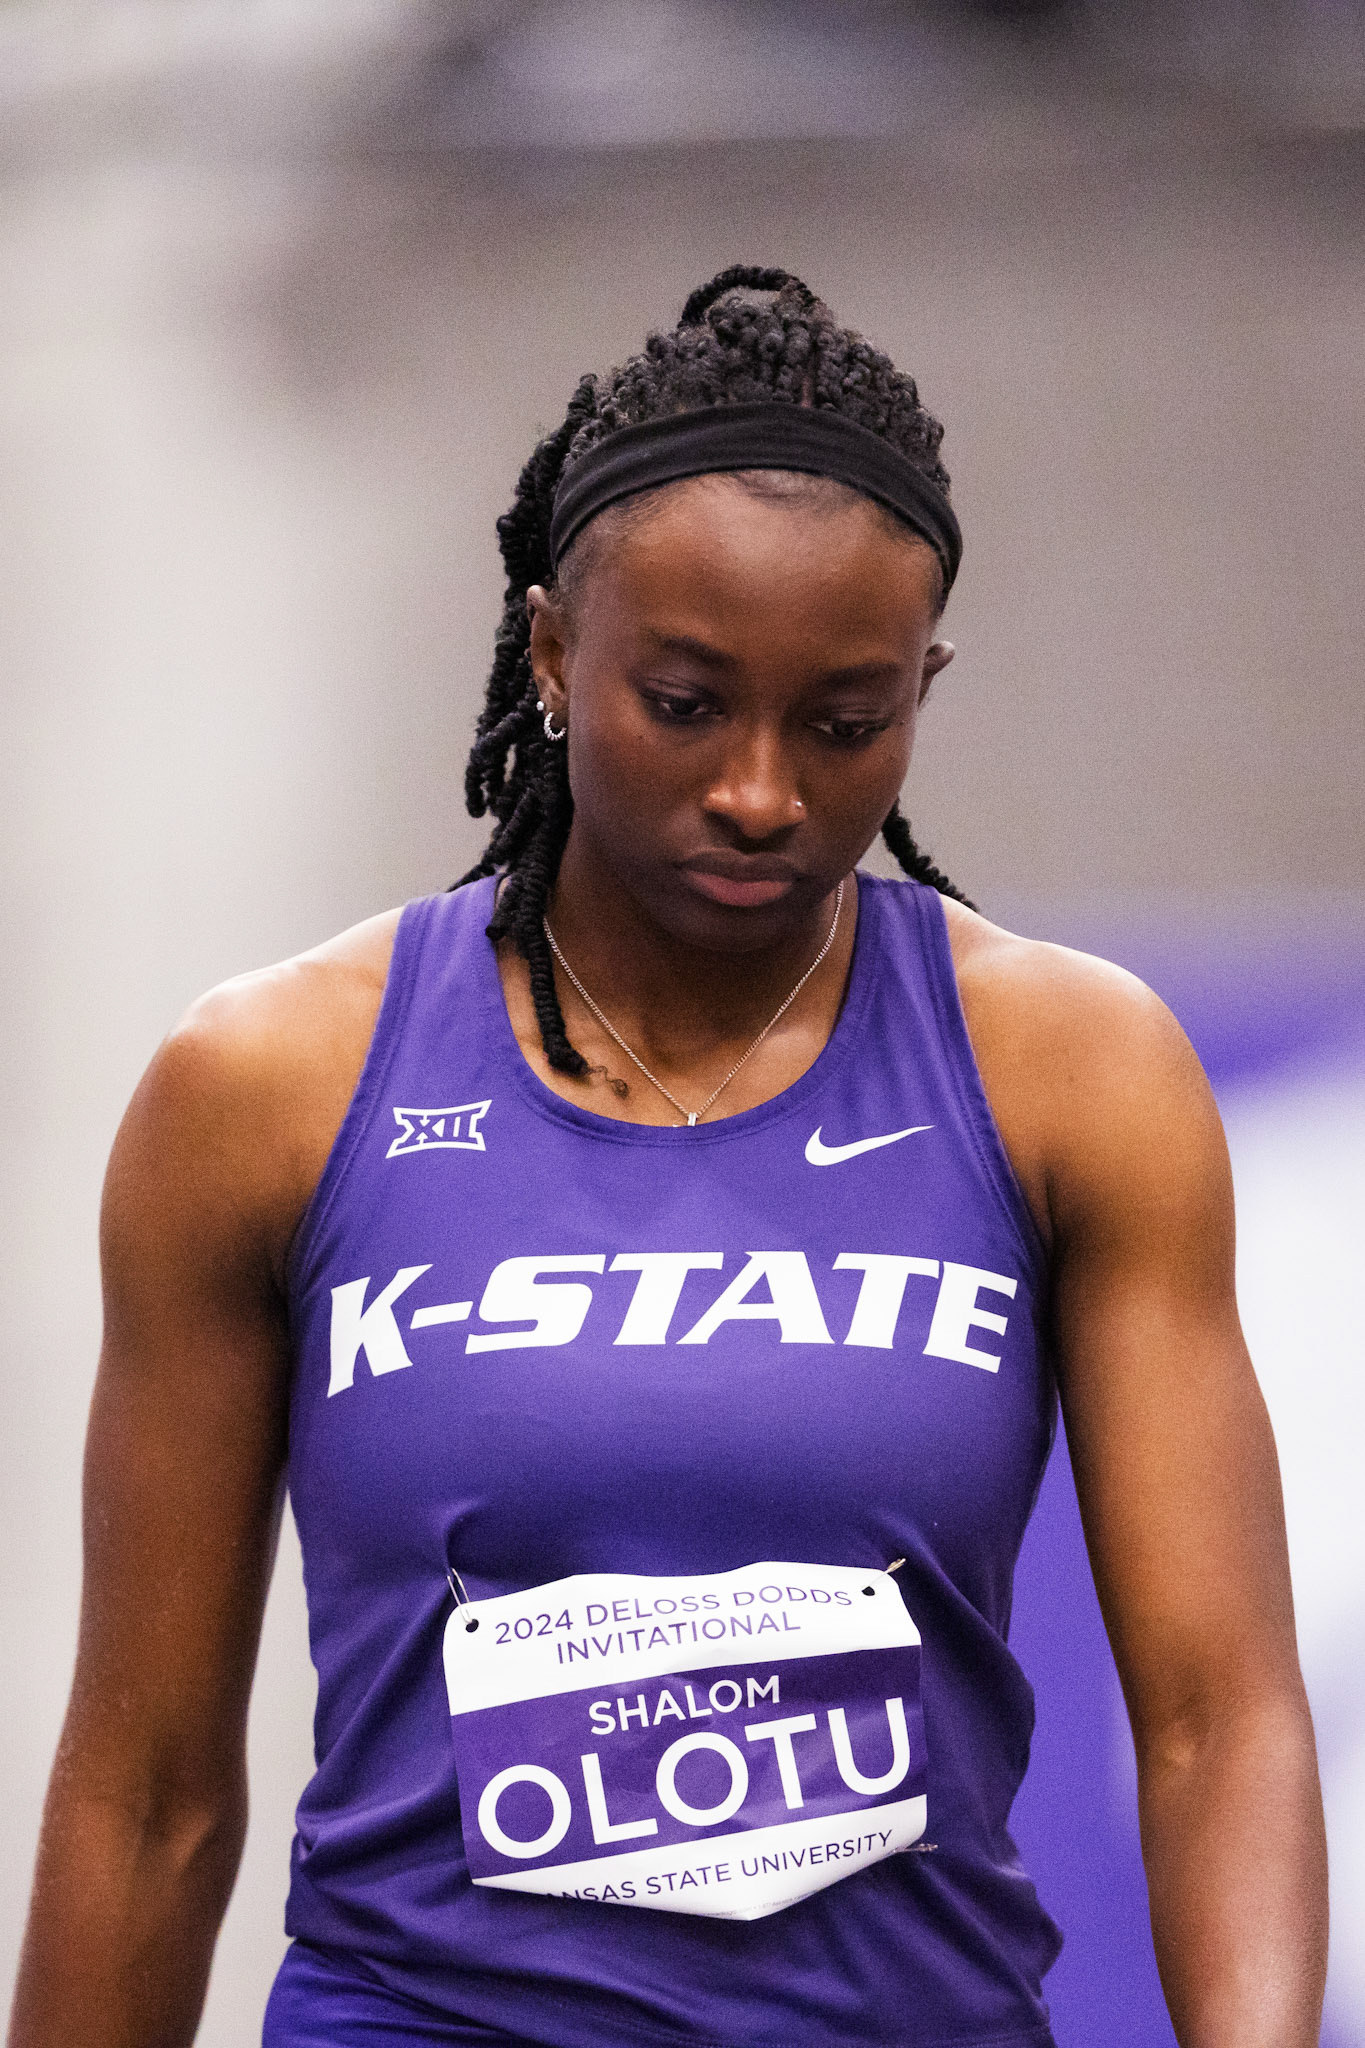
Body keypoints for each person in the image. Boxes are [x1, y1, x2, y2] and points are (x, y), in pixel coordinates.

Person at [8, 267, 1326, 2048]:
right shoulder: (268, 1089)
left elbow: (1213, 1716)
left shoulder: (1071, 1076)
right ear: (553, 653)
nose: (764, 791)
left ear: (922, 690)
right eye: (686, 702)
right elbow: (148, 1793)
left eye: (846, 722)